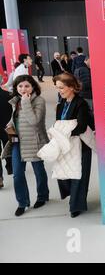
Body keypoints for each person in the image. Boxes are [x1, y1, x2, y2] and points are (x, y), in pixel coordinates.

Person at [2, 75, 49, 216]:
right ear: (16, 88)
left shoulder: (39, 101)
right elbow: (18, 118)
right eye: (20, 86)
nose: (23, 89)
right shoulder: (16, 101)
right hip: (18, 142)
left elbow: (34, 121)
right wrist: (10, 125)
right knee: (17, 174)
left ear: (33, 87)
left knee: (38, 171)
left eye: (27, 86)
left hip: (35, 141)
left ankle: (42, 196)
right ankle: (22, 202)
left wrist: (26, 102)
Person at [54, 73, 93, 218]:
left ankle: (76, 206)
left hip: (81, 145)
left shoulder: (81, 103)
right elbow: (59, 123)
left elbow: (82, 127)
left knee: (79, 177)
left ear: (71, 87)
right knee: (63, 173)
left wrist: (63, 133)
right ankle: (73, 197)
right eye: (57, 88)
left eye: (62, 88)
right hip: (66, 144)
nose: (59, 90)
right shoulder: (62, 104)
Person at [0, 80, 13, 188]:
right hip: (6, 127)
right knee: (7, 147)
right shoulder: (8, 95)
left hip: (5, 126)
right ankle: (10, 168)